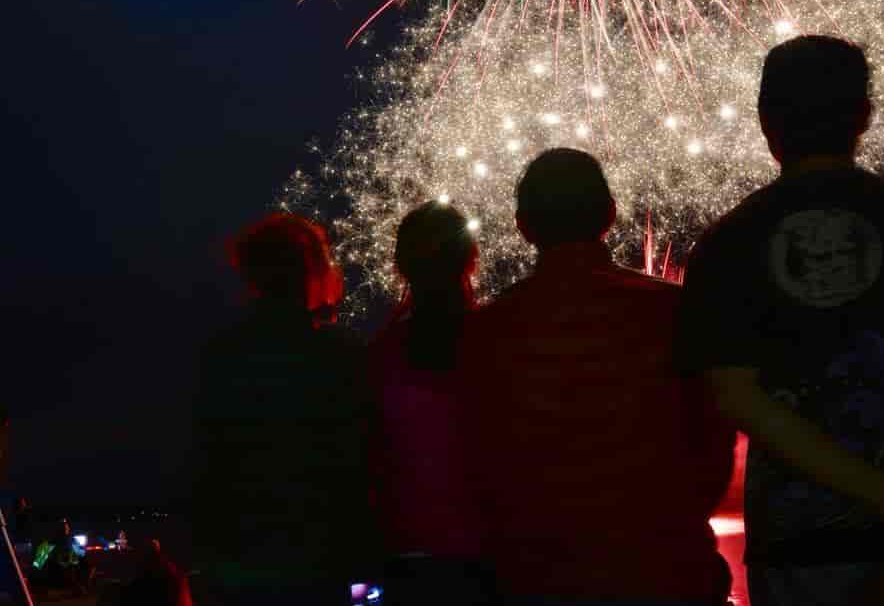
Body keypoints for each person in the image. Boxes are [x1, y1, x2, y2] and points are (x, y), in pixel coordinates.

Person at [674, 35, 884, 606]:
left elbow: (736, 398)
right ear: (864, 115)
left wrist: (880, 494)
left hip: (799, 546)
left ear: (764, 121)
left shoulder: (727, 245)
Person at [461, 148, 736, 605]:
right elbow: (714, 440)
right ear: (610, 214)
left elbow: (480, 466)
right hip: (669, 572)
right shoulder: (677, 311)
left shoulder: (484, 333)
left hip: (540, 582)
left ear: (522, 226)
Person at [190, 213, 375, 606]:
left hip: (242, 555)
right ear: (312, 270)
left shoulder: (223, 355)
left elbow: (207, 464)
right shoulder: (340, 355)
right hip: (318, 556)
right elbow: (358, 461)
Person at [368, 200, 495, 606]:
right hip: (492, 556)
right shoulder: (501, 342)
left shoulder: (378, 356)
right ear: (471, 261)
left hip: (405, 554)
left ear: (400, 266)